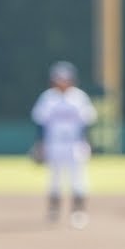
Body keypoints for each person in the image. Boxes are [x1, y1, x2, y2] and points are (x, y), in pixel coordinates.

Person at [31, 61, 97, 228]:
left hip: (75, 143)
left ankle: (78, 212)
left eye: (64, 79)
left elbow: (87, 122)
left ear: (72, 79)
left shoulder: (79, 97)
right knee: (54, 180)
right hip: (54, 144)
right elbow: (40, 123)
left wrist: (87, 142)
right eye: (58, 79)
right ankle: (54, 211)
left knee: (78, 179)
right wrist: (40, 144)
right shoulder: (48, 98)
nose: (61, 82)